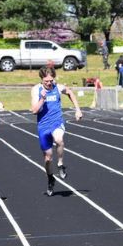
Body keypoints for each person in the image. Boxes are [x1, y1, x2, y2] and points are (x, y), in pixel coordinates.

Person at [31, 66, 83, 196]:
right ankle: (50, 178)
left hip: (56, 122)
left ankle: (60, 164)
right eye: (46, 81)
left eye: (50, 80)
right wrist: (42, 98)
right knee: (48, 159)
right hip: (43, 126)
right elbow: (34, 110)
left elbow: (70, 93)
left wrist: (78, 109)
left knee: (59, 139)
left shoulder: (58, 87)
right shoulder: (36, 90)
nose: (49, 83)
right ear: (41, 79)